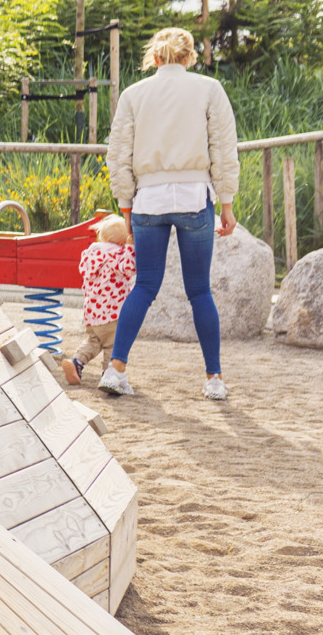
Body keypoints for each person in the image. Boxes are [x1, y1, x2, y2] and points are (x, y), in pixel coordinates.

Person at [99, 26, 240, 401]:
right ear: (190, 57)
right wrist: (226, 202)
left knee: (144, 286)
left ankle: (116, 369)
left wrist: (125, 208)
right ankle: (214, 379)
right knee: (199, 290)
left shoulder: (134, 94)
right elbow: (224, 149)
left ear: (156, 58)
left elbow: (119, 155)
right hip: (195, 197)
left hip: (148, 202)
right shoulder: (210, 89)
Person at [62, 212, 135, 386]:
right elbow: (129, 268)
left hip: (92, 312)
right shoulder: (117, 254)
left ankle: (76, 363)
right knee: (113, 345)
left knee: (93, 341)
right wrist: (131, 248)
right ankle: (109, 376)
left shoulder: (90, 254)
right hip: (112, 312)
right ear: (121, 243)